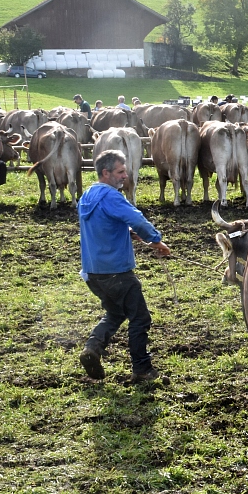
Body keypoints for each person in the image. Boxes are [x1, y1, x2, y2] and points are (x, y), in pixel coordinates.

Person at [77, 149, 171, 384]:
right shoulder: (111, 196)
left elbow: (102, 225)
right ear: (105, 173)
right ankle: (142, 369)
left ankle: (92, 348)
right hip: (116, 272)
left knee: (116, 313)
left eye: (125, 171)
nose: (125, 176)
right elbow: (137, 218)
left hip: (92, 272)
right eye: (120, 172)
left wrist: (127, 234)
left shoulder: (87, 195)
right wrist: (155, 240)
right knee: (140, 318)